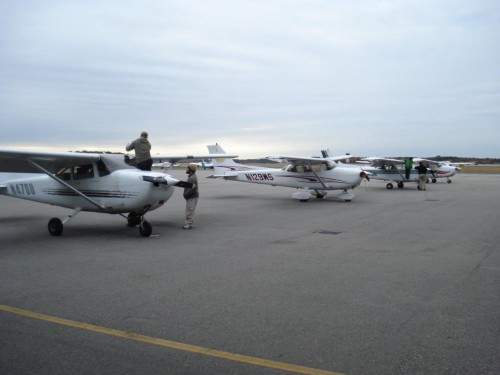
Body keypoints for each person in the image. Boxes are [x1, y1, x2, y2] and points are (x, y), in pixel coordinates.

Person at [183, 165, 199, 229]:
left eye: (187, 168)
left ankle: (189, 224)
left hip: (192, 197)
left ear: (190, 169)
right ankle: (190, 223)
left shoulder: (192, 178)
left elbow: (192, 188)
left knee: (189, 210)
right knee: (190, 210)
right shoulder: (191, 177)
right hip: (191, 197)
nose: (186, 169)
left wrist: (185, 194)